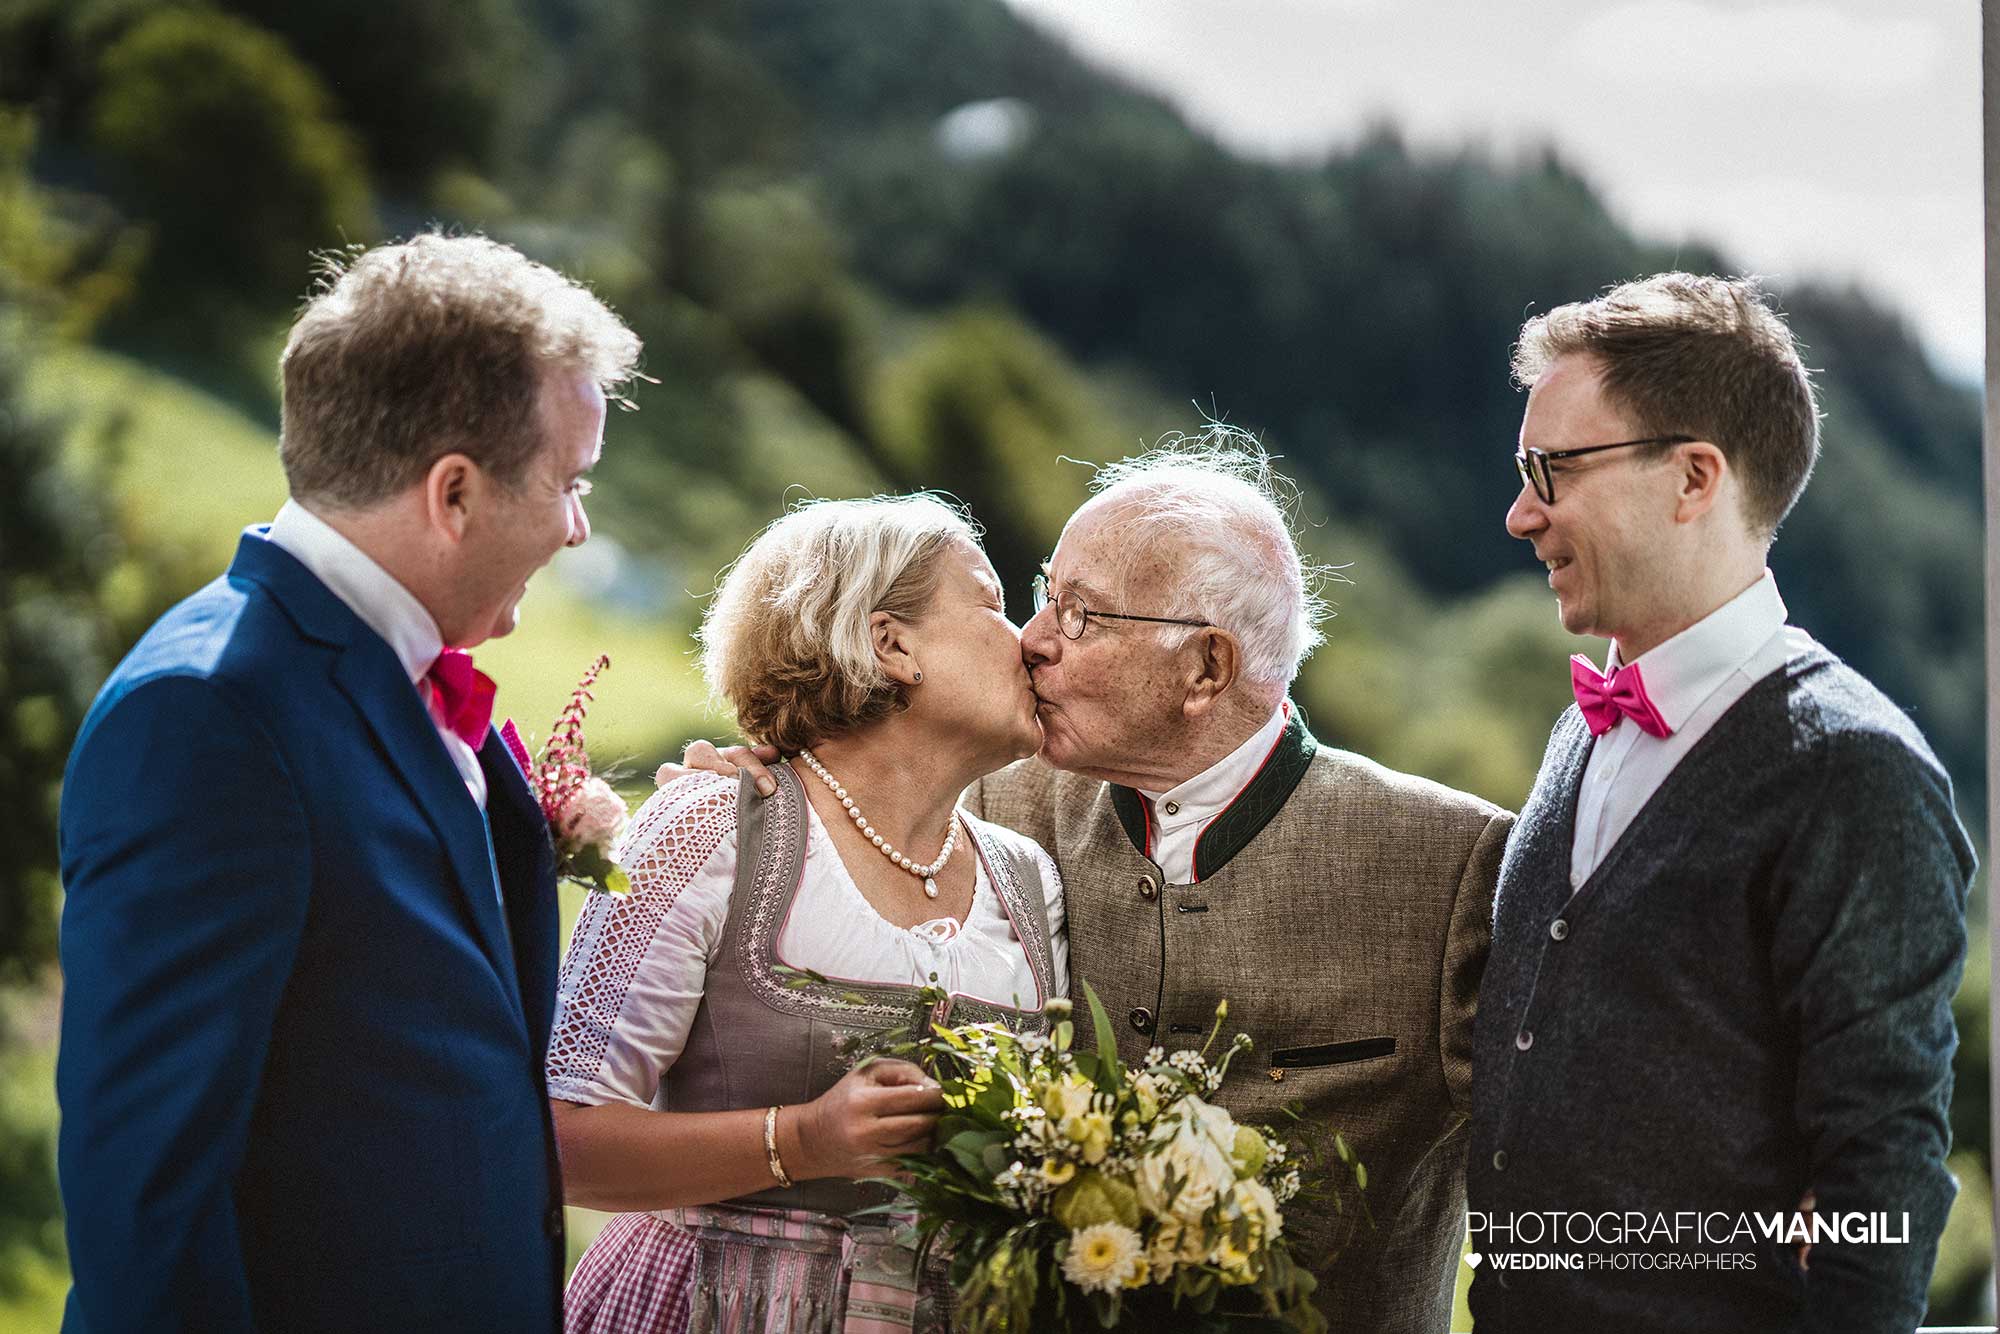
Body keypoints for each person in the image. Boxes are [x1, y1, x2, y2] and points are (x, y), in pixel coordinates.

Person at [680, 441, 1512, 1334]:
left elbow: (1553, 1188)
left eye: (1079, 615)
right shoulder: (986, 807)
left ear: (1206, 668)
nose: (1033, 639)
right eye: (1045, 594)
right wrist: (770, 791)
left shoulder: (1455, 863)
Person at [56, 233, 640, 1332]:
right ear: (453, 493)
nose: (578, 528)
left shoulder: (392, 675)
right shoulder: (207, 717)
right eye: (571, 483)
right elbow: (146, 1202)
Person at [1469, 273, 1975, 1333]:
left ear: (1693, 476)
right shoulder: (1576, 733)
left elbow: (1882, 1172)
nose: (1520, 514)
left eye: (1551, 470)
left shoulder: (1853, 770)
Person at [548, 495, 1067, 1334]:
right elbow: (560, 1139)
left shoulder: (1029, 880)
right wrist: (801, 1141)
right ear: (891, 644)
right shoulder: (710, 824)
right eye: (992, 604)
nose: (1031, 642)